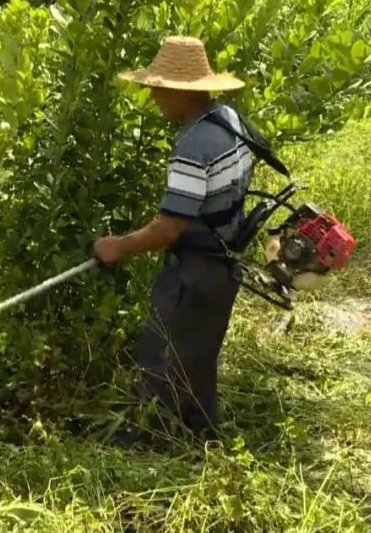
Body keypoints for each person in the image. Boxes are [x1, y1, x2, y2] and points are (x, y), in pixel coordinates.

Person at [93, 35, 253, 444]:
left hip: (195, 273)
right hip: (223, 265)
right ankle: (202, 440)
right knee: (197, 357)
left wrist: (117, 247)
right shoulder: (228, 120)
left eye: (158, 89)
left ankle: (147, 449)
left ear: (182, 92)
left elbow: (170, 227)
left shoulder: (194, 144)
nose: (153, 98)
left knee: (163, 360)